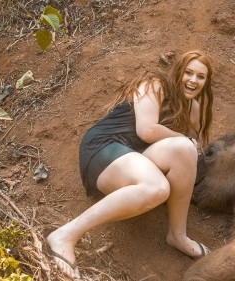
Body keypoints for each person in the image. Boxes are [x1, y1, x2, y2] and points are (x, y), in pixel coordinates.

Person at [46, 50, 214, 279]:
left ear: (206, 82)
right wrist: (186, 140)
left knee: (184, 150)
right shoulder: (155, 85)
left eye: (201, 77)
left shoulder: (193, 110)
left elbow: (188, 152)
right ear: (178, 71)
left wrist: (189, 144)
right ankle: (65, 235)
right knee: (159, 186)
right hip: (105, 147)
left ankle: (178, 235)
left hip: (136, 156)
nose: (193, 80)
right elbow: (145, 130)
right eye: (189, 73)